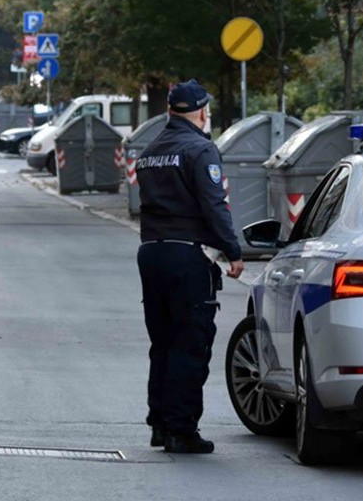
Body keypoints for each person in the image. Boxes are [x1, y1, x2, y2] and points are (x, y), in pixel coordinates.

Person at [136, 79, 244, 454]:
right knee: (190, 342)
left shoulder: (150, 151)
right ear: (201, 111)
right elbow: (215, 205)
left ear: (170, 110)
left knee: (162, 342)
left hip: (151, 253)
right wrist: (233, 251)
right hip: (188, 256)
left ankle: (160, 424)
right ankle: (182, 430)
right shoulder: (201, 149)